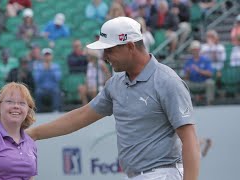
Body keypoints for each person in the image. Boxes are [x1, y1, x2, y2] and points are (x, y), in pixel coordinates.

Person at [26, 17, 200, 180]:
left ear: (130, 47)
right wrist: (34, 133)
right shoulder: (116, 83)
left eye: (109, 50)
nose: (105, 57)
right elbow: (80, 116)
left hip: (163, 174)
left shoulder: (167, 81)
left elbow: (189, 139)